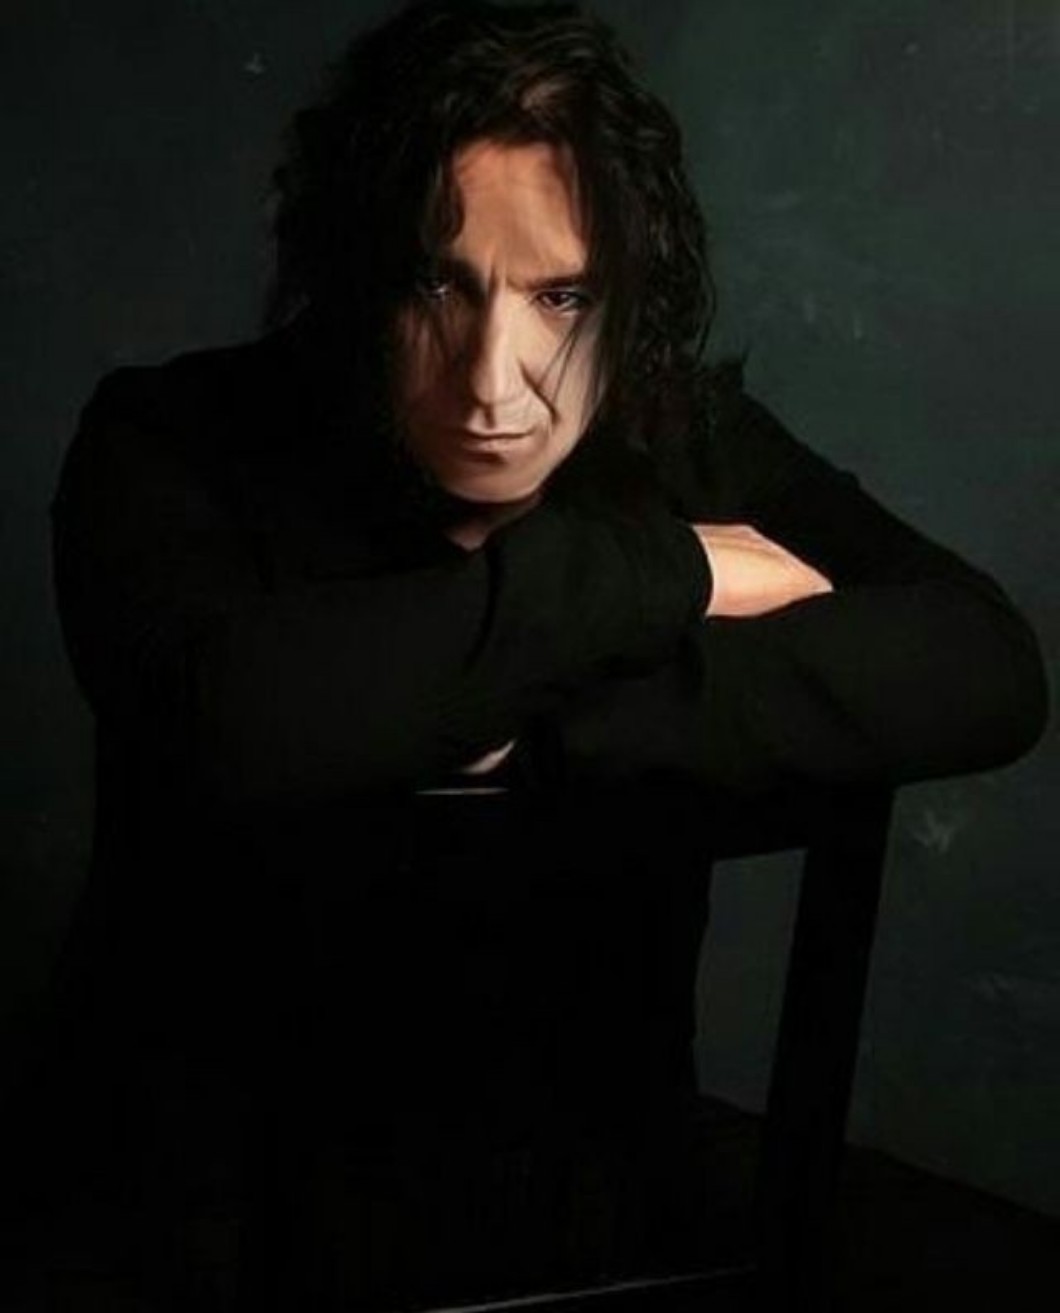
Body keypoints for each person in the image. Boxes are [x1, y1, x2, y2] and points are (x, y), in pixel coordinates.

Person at [24, 0, 1048, 1305]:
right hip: (206, 1228)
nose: (492, 382)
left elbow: (984, 664)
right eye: (436, 284)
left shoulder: (679, 439)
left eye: (560, 296)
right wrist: (664, 572)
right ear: (356, 271)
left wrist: (545, 712)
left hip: (598, 1222)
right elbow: (232, 717)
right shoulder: (171, 440)